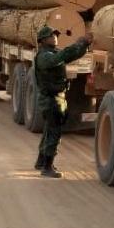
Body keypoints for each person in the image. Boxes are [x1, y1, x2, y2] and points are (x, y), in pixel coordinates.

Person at [34, 26, 93, 178]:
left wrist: (83, 45)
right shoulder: (44, 56)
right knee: (54, 133)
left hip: (56, 98)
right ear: (42, 41)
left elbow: (70, 55)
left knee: (49, 130)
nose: (54, 37)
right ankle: (47, 167)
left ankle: (41, 161)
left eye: (55, 35)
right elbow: (62, 56)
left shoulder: (52, 53)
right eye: (51, 36)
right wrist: (78, 43)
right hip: (51, 99)